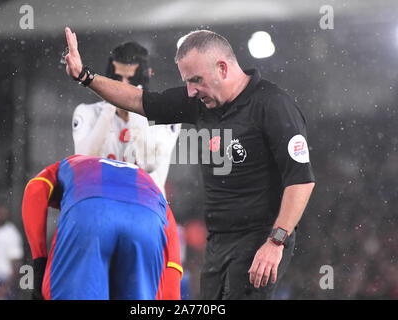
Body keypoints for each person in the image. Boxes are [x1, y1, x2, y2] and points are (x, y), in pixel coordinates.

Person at [63, 27, 315, 299]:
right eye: (187, 82)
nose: (191, 91)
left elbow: (301, 180)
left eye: (196, 80)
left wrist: (276, 242)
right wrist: (85, 76)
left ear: (222, 68)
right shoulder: (199, 102)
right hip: (219, 239)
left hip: (260, 237)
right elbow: (138, 100)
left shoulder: (273, 105)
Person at [21, 155, 182, 300]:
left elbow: (34, 189)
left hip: (91, 213)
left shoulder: (67, 164)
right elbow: (173, 268)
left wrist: (39, 261)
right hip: (148, 221)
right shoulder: (151, 187)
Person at [71, 41, 181, 196]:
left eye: (131, 79)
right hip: (102, 209)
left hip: (145, 211)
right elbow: (84, 165)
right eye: (117, 78)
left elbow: (148, 162)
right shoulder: (87, 113)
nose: (123, 85)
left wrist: (134, 101)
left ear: (146, 76)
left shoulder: (167, 115)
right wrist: (110, 102)